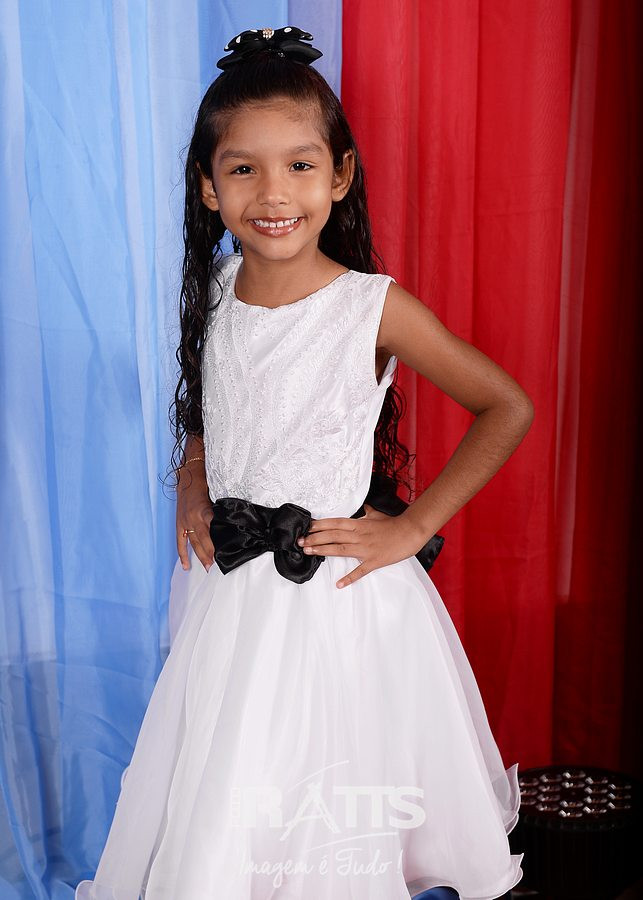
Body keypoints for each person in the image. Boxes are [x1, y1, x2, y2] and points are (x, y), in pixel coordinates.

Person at [76, 26, 531, 900]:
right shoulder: (214, 291)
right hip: (233, 599)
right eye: (243, 169)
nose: (273, 192)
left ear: (340, 176)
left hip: (336, 606)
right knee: (230, 793)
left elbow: (505, 405)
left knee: (325, 795)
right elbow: (208, 405)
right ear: (208, 187)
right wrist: (195, 478)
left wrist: (413, 527)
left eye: (298, 165)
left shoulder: (371, 308)